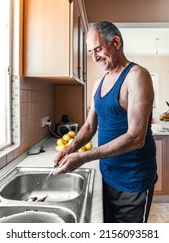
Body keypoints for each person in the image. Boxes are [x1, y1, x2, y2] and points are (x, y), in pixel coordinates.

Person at [54, 21, 157, 223]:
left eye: (98, 49)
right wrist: (71, 148)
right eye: (91, 51)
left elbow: (136, 138)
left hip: (133, 180)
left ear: (116, 42)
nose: (95, 57)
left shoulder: (137, 76)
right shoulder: (98, 84)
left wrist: (83, 158)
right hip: (107, 176)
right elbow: (90, 126)